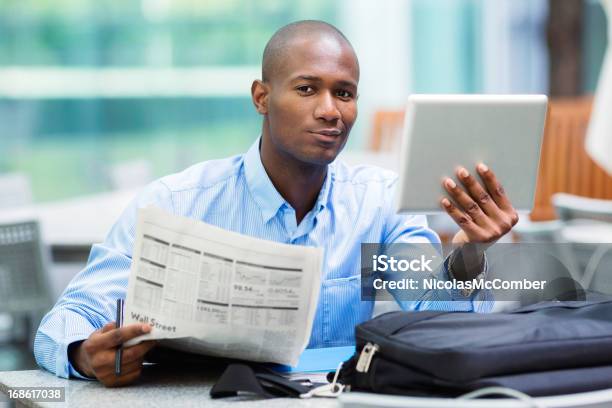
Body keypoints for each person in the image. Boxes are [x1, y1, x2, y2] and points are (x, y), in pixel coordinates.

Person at [34, 20, 519, 387]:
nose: (330, 110)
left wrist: (469, 256)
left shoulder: (380, 202)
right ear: (262, 97)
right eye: (307, 89)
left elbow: (437, 314)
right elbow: (67, 318)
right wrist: (82, 353)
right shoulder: (176, 202)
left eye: (344, 93)